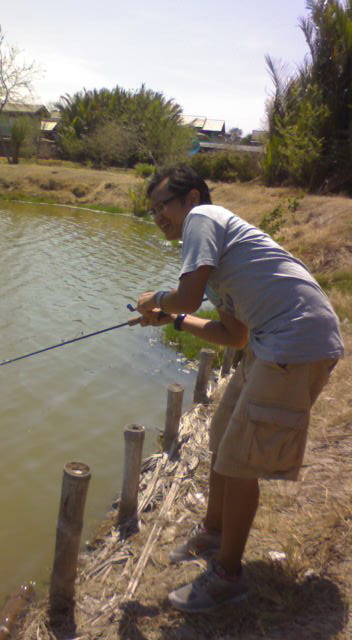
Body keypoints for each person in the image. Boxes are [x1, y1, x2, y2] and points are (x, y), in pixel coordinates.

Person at [136, 165, 344, 614]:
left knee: (238, 462)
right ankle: (214, 534)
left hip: (295, 343)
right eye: (151, 211)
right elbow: (234, 336)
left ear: (191, 198)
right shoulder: (215, 260)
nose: (157, 217)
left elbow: (185, 297)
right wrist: (172, 319)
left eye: (161, 206)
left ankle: (228, 578)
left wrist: (157, 300)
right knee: (221, 436)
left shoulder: (203, 219)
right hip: (272, 343)